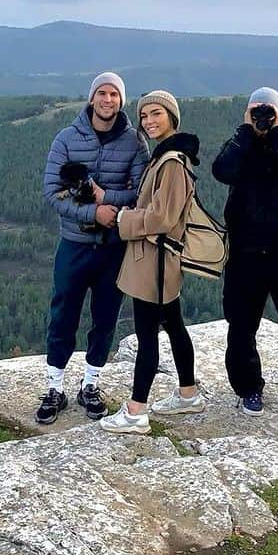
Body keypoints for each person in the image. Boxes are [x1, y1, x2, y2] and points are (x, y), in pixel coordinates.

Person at [36, 72, 147, 424]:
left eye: (114, 94)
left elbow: (142, 191)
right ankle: (55, 387)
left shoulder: (134, 142)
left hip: (114, 247)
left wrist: (107, 201)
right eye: (102, 92)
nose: (108, 100)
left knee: (105, 317)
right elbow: (53, 192)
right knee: (62, 314)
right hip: (74, 243)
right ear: (91, 98)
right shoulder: (66, 138)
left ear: (121, 100)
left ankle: (91, 384)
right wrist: (91, 212)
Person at [102, 91, 205, 435]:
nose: (148, 121)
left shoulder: (173, 161)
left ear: (172, 117)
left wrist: (124, 221)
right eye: (144, 115)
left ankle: (135, 411)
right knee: (173, 325)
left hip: (155, 259)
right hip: (161, 257)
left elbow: (162, 217)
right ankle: (188, 393)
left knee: (147, 334)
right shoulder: (167, 155)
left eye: (156, 113)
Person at [212, 87, 278, 414]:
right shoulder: (240, 144)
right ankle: (248, 388)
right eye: (256, 110)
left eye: (268, 111)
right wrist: (246, 131)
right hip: (245, 253)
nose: (262, 117)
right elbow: (221, 170)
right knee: (241, 326)